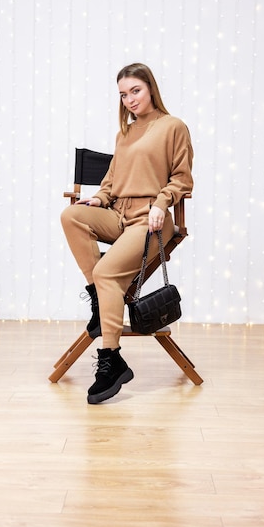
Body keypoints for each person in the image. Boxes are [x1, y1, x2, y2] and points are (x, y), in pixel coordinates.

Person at [61, 62, 193, 404]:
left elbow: (182, 178)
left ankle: (110, 358)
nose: (130, 100)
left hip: (151, 221)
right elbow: (112, 181)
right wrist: (101, 197)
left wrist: (162, 203)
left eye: (135, 90)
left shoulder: (173, 126)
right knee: (72, 215)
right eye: (123, 94)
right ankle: (99, 300)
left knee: (108, 272)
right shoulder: (124, 134)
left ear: (150, 87)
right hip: (119, 214)